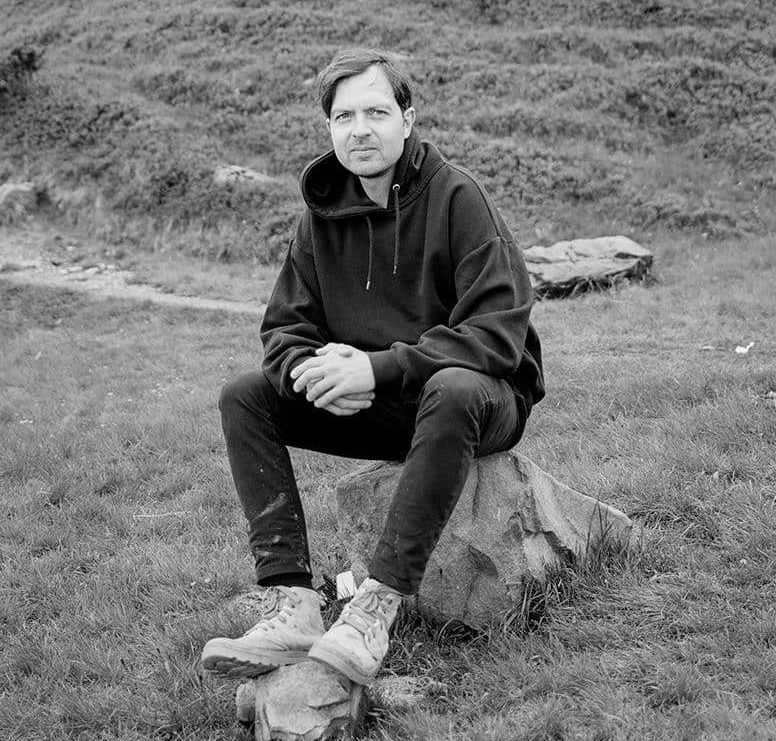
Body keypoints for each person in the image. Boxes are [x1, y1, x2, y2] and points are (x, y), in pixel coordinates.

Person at [201, 46, 545, 686]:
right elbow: (284, 329)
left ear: (407, 120)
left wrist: (377, 369)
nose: (360, 130)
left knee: (453, 387)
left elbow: (496, 334)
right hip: (385, 410)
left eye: (377, 112)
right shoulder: (320, 217)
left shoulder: (458, 197)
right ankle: (293, 604)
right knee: (245, 395)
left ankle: (374, 610)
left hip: (480, 403)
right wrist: (313, 373)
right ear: (329, 127)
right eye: (344, 116)